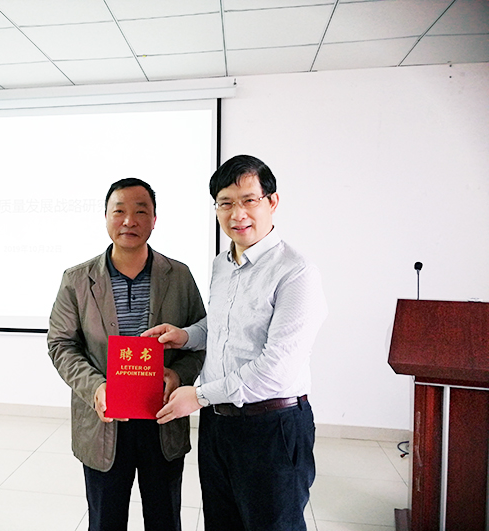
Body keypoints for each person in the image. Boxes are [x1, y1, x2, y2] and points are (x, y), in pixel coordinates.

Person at [143, 155, 327, 531]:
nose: (237, 213)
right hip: (218, 425)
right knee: (221, 522)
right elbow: (223, 327)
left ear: (272, 202)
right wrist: (186, 335)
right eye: (225, 203)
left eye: (248, 200)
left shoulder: (296, 272)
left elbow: (275, 369)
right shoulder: (222, 264)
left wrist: (198, 396)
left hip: (271, 426)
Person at [47, 177, 206, 531]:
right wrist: (96, 388)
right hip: (104, 421)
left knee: (164, 519)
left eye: (141, 211)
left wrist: (179, 375)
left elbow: (200, 341)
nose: (129, 221)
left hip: (162, 418)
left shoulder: (179, 276)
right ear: (105, 217)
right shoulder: (77, 280)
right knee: (105, 521)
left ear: (154, 219)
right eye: (119, 211)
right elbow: (61, 344)